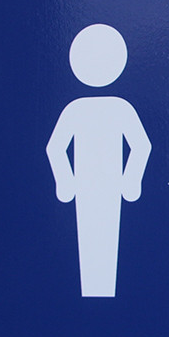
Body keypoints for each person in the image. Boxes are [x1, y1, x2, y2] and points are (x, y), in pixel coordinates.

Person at [46, 24, 151, 297]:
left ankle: (102, 293)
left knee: (108, 237)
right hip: (86, 186)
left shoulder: (119, 108)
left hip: (110, 186)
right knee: (88, 238)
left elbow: (141, 146)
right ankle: (94, 293)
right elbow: (55, 148)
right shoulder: (76, 109)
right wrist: (65, 182)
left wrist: (131, 181)